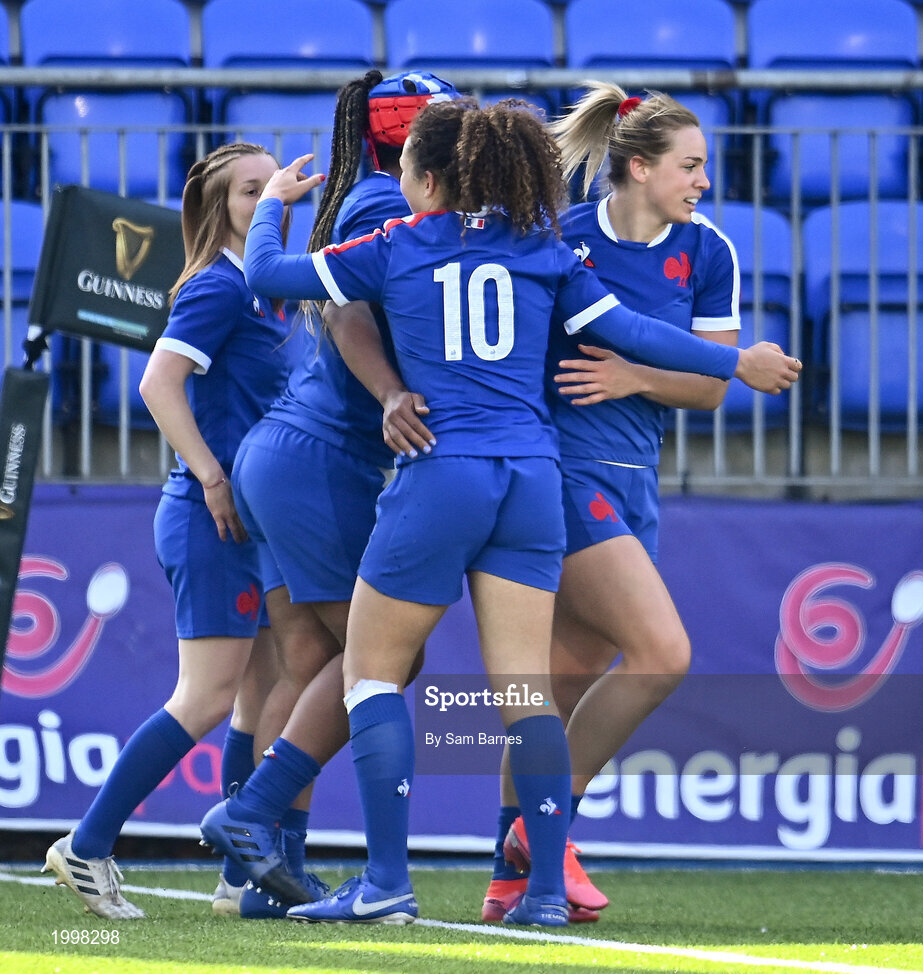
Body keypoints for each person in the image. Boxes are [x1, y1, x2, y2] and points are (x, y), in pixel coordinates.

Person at [202, 98, 799, 928]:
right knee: (527, 690)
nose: (399, 179)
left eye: (407, 167)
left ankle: (381, 881)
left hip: (443, 472)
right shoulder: (544, 250)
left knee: (372, 671)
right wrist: (737, 360)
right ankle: (542, 891)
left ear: (431, 179)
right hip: (532, 480)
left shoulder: (395, 242)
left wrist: (270, 209)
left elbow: (267, 278)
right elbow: (631, 329)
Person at [485, 83, 790, 919]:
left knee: (562, 676)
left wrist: (631, 376)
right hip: (562, 472)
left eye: (705, 166)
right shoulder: (564, 238)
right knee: (660, 653)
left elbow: (707, 392)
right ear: (638, 166)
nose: (703, 180)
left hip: (633, 480)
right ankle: (544, 835)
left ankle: (512, 874)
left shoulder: (709, 251)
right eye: (690, 165)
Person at [211, 69, 458, 919]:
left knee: (315, 664)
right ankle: (249, 819)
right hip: (318, 458)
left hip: (292, 452)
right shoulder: (382, 205)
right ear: (416, 141)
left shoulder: (379, 197)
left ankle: (265, 875)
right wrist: (392, 391)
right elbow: (349, 314)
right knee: (389, 657)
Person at [42, 142, 297, 920]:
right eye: (249, 192)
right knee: (209, 697)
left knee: (260, 697)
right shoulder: (219, 286)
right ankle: (85, 848)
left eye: (272, 188)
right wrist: (214, 479)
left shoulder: (266, 289)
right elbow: (158, 384)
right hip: (209, 514)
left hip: (250, 519)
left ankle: (237, 874)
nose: (266, 201)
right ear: (220, 210)